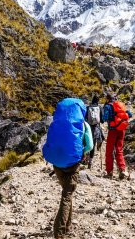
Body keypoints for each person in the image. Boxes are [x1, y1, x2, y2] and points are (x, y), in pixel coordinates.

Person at [42, 98, 93, 239]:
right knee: (67, 195)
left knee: (67, 191)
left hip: (57, 163)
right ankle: (59, 231)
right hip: (73, 164)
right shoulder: (83, 125)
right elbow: (90, 146)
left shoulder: (55, 123)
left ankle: (68, 224)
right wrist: (83, 152)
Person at [103, 93, 132, 179]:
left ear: (108, 99)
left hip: (112, 130)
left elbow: (105, 118)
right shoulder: (120, 105)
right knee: (119, 150)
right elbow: (129, 115)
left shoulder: (108, 106)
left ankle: (109, 172)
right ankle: (122, 170)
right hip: (122, 130)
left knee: (109, 151)